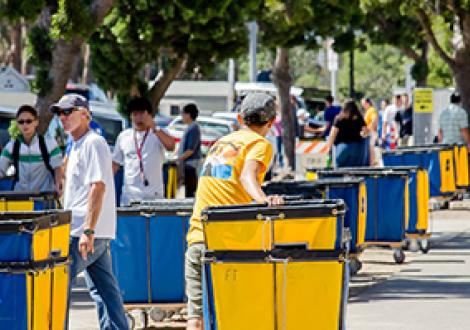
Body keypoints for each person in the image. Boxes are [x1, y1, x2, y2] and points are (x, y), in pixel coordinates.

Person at [185, 93, 284, 330]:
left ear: (240, 118)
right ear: (271, 123)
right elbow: (246, 176)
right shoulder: (259, 144)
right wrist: (264, 200)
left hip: (197, 238)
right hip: (226, 243)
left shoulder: (221, 143)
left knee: (195, 318)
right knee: (235, 315)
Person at [50, 94, 128, 330]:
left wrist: (88, 230)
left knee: (57, 286)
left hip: (84, 231)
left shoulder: (93, 142)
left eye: (68, 112)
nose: (62, 117)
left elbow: (98, 186)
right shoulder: (76, 144)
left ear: (85, 114)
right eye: (59, 113)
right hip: (90, 230)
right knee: (105, 292)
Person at [112, 97, 175, 205]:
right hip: (129, 196)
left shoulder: (158, 133)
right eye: (135, 114)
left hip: (154, 196)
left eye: (142, 114)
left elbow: (171, 146)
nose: (138, 118)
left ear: (150, 115)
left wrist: (154, 128)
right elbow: (115, 164)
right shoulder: (124, 136)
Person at [0, 105, 63, 193]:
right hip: (20, 197)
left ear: (36, 122)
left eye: (29, 121)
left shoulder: (49, 144)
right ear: (17, 124)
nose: (25, 125)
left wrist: (58, 185)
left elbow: (58, 167)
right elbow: (1, 169)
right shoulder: (11, 147)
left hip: (44, 199)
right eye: (21, 122)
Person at [325, 99, 368, 168]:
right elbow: (365, 132)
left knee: (340, 171)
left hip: (342, 147)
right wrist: (362, 134)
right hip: (356, 147)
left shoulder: (339, 118)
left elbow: (332, 134)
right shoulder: (359, 118)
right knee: (355, 171)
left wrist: (328, 148)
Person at [178, 103, 202, 198]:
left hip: (192, 165)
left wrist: (178, 159)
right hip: (188, 165)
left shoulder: (193, 128)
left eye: (183, 114)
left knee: (191, 192)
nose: (182, 117)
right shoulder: (190, 127)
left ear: (188, 114)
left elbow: (190, 150)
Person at [361, 98, 379, 165]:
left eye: (363, 103)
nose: (362, 105)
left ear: (368, 103)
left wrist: (367, 129)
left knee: (371, 150)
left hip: (371, 133)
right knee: (370, 151)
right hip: (369, 134)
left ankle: (372, 166)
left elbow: (374, 120)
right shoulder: (368, 111)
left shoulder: (371, 110)